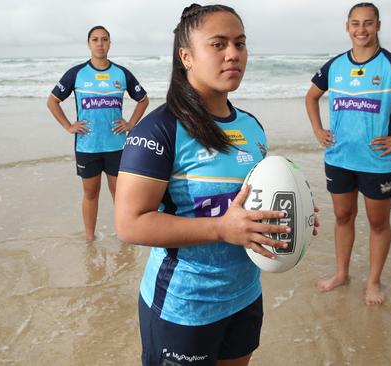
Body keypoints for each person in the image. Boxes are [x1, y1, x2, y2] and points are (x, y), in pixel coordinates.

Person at [115, 4, 317, 365]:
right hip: (184, 305)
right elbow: (130, 223)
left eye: (240, 44)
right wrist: (221, 229)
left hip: (244, 295)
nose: (233, 54)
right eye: (218, 44)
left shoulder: (252, 127)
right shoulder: (159, 129)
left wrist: (290, 215)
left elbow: (248, 203)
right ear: (186, 56)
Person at [305, 2, 391, 305]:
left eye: (367, 23)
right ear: (347, 27)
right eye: (355, 23)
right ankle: (341, 274)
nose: (361, 29)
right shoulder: (334, 66)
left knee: (377, 223)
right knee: (342, 216)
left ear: (378, 25)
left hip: (376, 161)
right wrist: (317, 130)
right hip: (338, 158)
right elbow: (311, 96)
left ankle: (374, 282)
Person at [47, 25, 149, 242]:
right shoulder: (77, 74)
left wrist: (131, 123)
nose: (100, 44)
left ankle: (125, 235)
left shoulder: (121, 73)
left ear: (110, 43)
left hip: (117, 146)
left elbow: (143, 99)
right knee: (91, 194)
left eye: (104, 39)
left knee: (119, 196)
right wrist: (68, 126)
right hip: (88, 146)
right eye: (95, 39)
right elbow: (52, 101)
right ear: (89, 44)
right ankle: (89, 238)